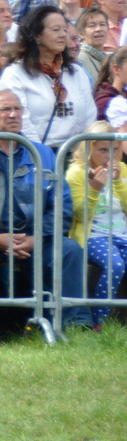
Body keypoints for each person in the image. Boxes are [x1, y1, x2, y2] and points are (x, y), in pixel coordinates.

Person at [0, 89, 89, 344]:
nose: (13, 115)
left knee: (69, 250)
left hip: (35, 239)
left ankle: (77, 326)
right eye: (6, 110)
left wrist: (35, 238)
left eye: (18, 109)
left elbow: (62, 207)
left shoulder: (43, 154)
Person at [0, 6, 96, 147]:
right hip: (35, 155)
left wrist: (81, 154)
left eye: (64, 29)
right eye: (56, 30)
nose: (63, 35)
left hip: (75, 157)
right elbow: (22, 121)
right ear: (37, 35)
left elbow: (89, 115)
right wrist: (41, 155)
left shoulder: (76, 72)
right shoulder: (15, 73)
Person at [66, 122, 127, 328]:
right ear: (89, 148)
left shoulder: (124, 169)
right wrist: (94, 188)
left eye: (115, 149)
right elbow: (79, 215)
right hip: (93, 236)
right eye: (103, 150)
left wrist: (118, 182)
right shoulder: (76, 172)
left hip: (122, 234)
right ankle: (99, 322)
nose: (110, 155)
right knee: (115, 265)